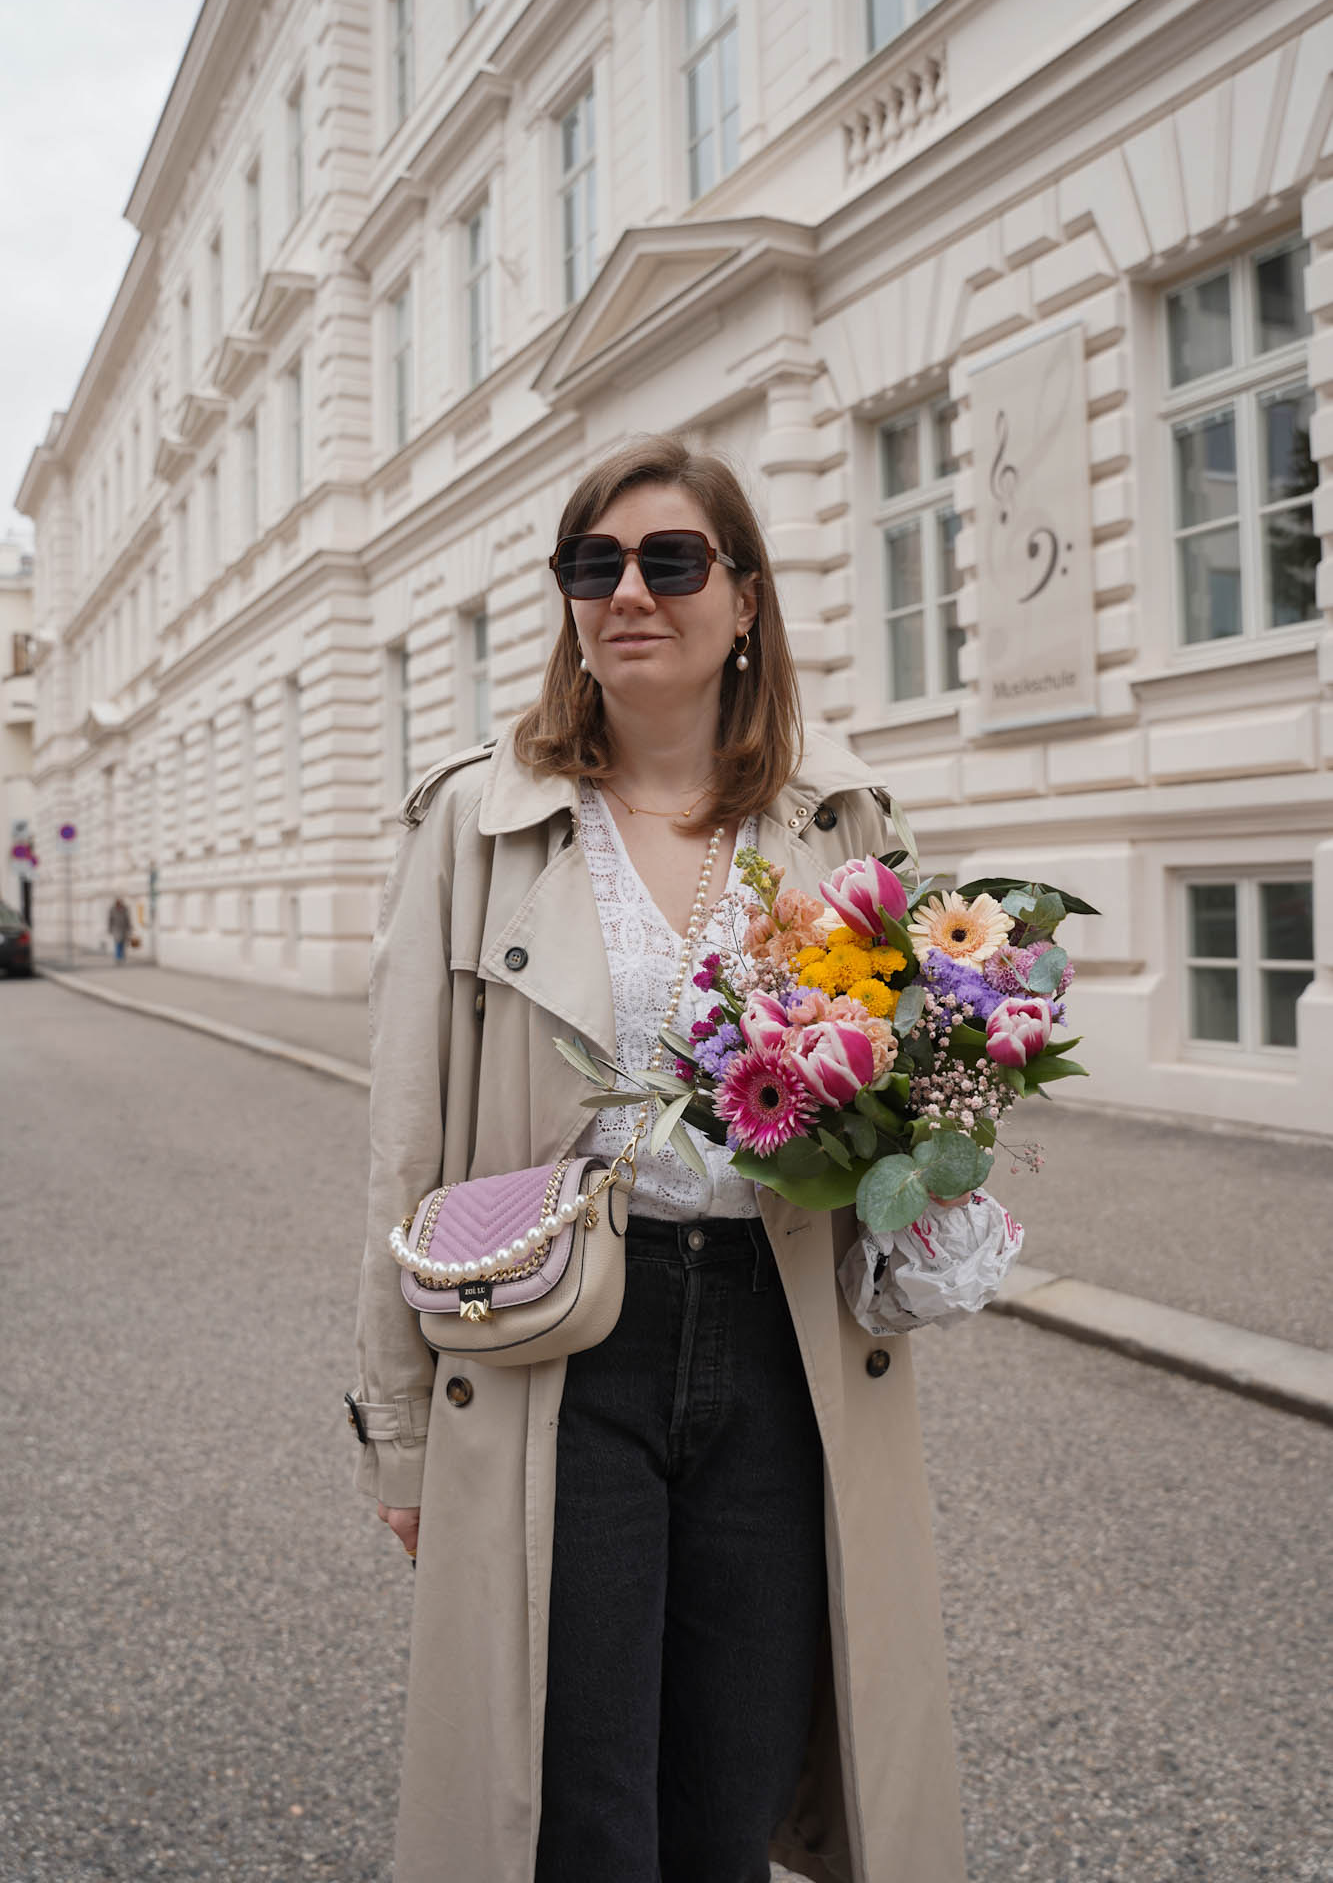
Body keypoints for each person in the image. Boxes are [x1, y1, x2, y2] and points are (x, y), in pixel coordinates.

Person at [350, 436, 967, 1883]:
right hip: (556, 1342)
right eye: (593, 564)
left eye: (670, 561)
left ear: (743, 599)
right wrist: (400, 1428)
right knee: (576, 1794)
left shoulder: (844, 835)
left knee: (730, 1788)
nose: (629, 592)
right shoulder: (483, 823)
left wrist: (940, 1191)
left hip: (780, 1341)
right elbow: (402, 1139)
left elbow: (919, 1098)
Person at [107, 896, 131, 964]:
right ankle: (118, 957)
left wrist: (129, 927)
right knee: (118, 943)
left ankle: (122, 956)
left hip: (124, 929)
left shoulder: (125, 909)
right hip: (116, 929)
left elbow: (127, 919)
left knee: (123, 944)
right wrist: (110, 928)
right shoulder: (113, 909)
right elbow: (110, 920)